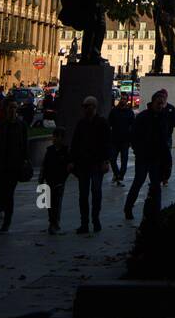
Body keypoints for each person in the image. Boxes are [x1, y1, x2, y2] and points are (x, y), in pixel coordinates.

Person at [125, 89, 173, 221]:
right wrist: (138, 150)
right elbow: (134, 135)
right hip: (143, 156)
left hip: (156, 157)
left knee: (156, 185)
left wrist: (166, 159)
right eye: (158, 103)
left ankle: (156, 210)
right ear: (152, 103)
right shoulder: (143, 117)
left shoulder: (163, 118)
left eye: (162, 103)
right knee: (138, 182)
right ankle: (128, 208)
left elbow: (164, 138)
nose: (161, 105)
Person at [69, 95, 111, 235]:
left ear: (94, 107)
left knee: (96, 192)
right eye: (84, 106)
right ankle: (84, 222)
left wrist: (106, 161)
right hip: (83, 164)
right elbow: (75, 143)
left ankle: (95, 219)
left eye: (88, 106)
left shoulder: (102, 123)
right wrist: (72, 161)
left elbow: (107, 143)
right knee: (83, 195)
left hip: (97, 164)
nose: (86, 108)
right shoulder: (81, 124)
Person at [0, 99, 29, 233]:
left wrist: (25, 160)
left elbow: (25, 145)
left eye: (15, 108)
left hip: (14, 166)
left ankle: (7, 221)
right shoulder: (1, 126)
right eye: (10, 108)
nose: (13, 110)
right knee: (0, 193)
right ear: (7, 110)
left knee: (9, 194)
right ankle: (2, 206)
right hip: (1, 166)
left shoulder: (21, 126)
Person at [39, 126, 70, 234]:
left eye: (57, 137)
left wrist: (64, 177)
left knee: (56, 202)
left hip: (59, 180)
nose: (55, 139)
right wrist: (41, 178)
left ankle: (54, 222)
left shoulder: (65, 151)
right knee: (49, 202)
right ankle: (52, 221)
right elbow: (44, 165)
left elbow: (67, 167)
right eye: (54, 136)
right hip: (49, 179)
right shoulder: (50, 150)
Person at [108, 92, 135, 184]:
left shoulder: (130, 112)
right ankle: (117, 174)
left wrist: (131, 140)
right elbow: (109, 124)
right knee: (112, 159)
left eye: (124, 99)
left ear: (127, 101)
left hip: (125, 140)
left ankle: (120, 176)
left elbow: (133, 126)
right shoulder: (114, 111)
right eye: (122, 99)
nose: (122, 100)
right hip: (115, 139)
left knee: (124, 160)